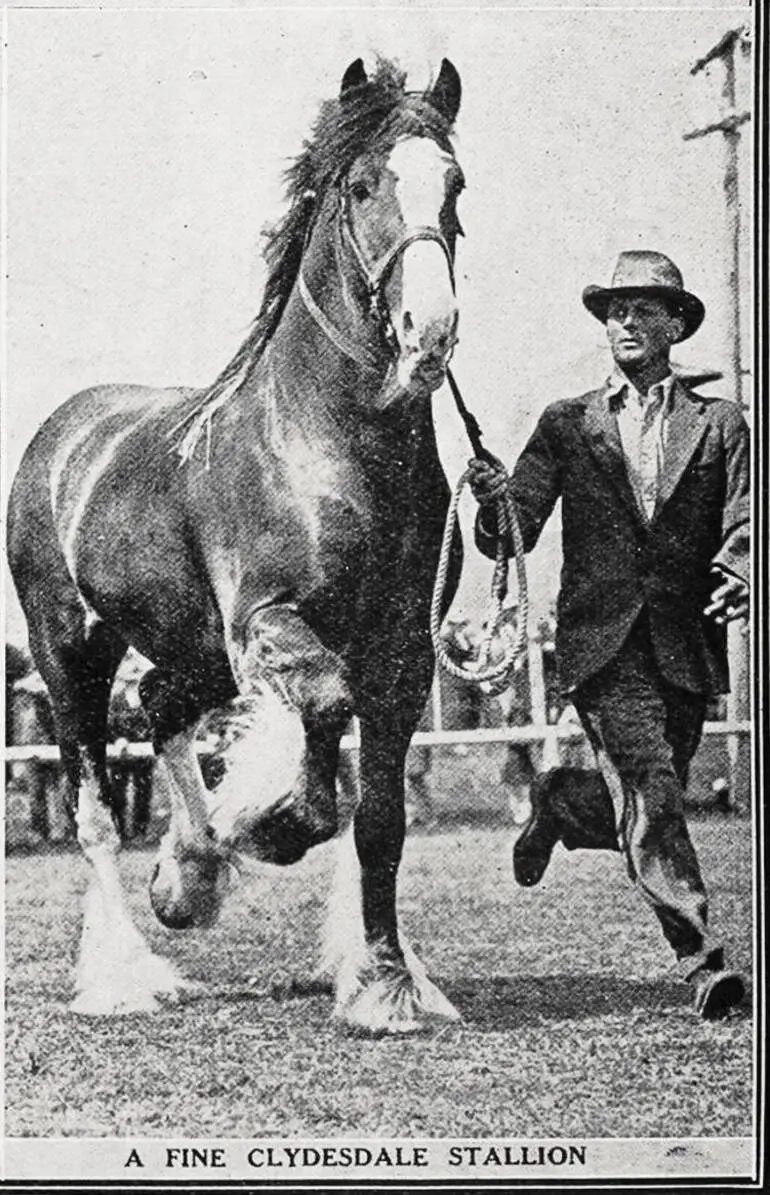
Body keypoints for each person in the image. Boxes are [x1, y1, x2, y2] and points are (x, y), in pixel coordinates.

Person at [468, 250, 749, 1019]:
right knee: (654, 791)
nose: (624, 321)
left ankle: (563, 802)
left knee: (646, 801)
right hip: (601, 644)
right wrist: (494, 499)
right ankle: (703, 960)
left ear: (674, 325)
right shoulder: (567, 424)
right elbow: (508, 533)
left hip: (686, 645)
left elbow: (745, 518)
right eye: (614, 309)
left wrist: (740, 570)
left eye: (642, 309)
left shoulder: (720, 422)